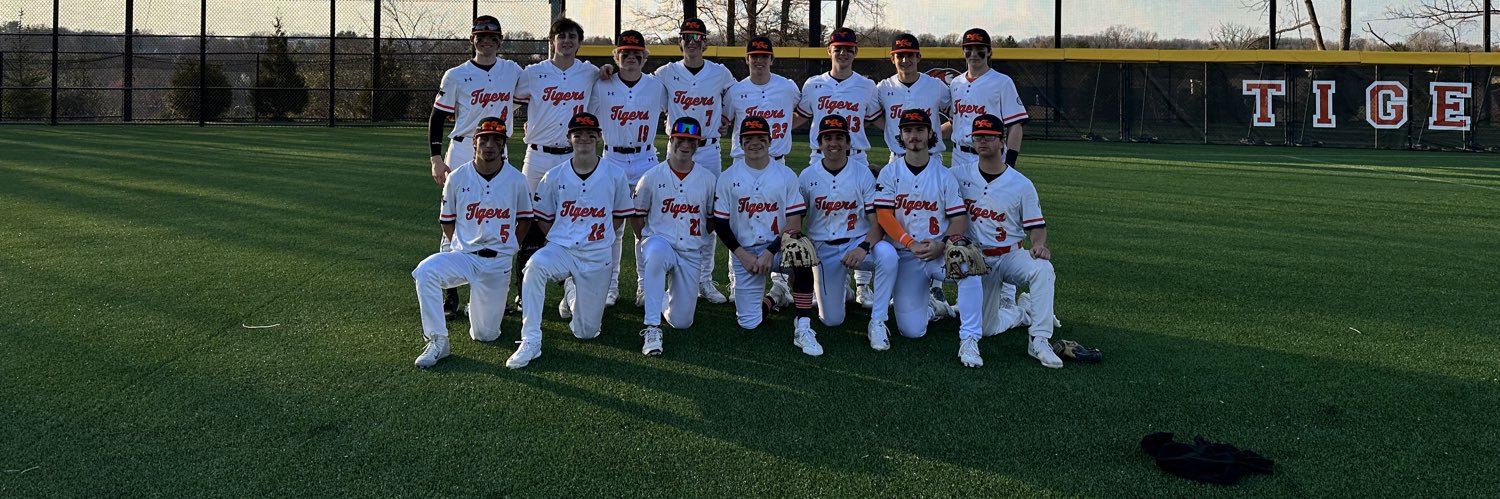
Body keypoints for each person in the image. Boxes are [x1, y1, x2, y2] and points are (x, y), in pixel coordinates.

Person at [508, 112, 635, 369]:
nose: (584, 139)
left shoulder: (615, 174)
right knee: (534, 267)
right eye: (578, 135)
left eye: (590, 135)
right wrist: (561, 235)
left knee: (586, 332)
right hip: (562, 249)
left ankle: (571, 292)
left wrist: (597, 238)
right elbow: (543, 218)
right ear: (569, 139)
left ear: (599, 137)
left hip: (597, 254)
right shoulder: (554, 175)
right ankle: (530, 339)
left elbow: (619, 217)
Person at [412, 117, 532, 368]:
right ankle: (437, 340)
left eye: (496, 140)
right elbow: (447, 220)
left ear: (503, 146)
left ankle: (478, 303)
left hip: (498, 261)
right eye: (484, 139)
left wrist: (512, 246)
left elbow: (524, 220)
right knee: (425, 271)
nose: (489, 145)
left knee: (485, 335)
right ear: (474, 143)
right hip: (465, 256)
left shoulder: (516, 179)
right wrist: (459, 244)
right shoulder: (457, 177)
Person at [427, 15, 523, 319]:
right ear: (473, 41)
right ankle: (451, 294)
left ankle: (498, 291)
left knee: (498, 221)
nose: (486, 42)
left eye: (492, 38)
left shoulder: (511, 70)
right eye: (481, 37)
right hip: (462, 150)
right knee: (454, 220)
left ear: (500, 42)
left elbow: (533, 92)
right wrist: (436, 158)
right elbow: (438, 117)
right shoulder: (456, 74)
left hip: (498, 149)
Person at [873, 109, 985, 367]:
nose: (914, 136)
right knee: (912, 332)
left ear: (931, 134)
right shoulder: (890, 173)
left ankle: (969, 339)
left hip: (939, 252)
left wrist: (943, 243)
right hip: (906, 255)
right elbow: (884, 216)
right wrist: (910, 243)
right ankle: (936, 307)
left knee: (969, 266)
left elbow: (959, 219)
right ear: (900, 135)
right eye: (908, 131)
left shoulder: (944, 175)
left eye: (920, 130)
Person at [951, 114, 1061, 368]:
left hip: (1010, 254)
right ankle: (1022, 311)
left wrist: (1038, 244)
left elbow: (1037, 226)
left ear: (1001, 141)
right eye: (978, 137)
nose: (983, 141)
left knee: (1042, 269)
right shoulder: (957, 174)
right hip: (977, 260)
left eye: (989, 137)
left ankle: (1040, 340)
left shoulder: (1021, 184)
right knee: (987, 329)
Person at [712, 116, 821, 356]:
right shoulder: (728, 177)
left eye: (761, 138)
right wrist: (742, 256)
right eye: (749, 139)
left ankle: (803, 324)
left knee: (801, 248)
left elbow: (794, 222)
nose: (755, 143)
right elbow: (719, 223)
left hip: (778, 248)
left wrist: (770, 251)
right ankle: (776, 295)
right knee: (749, 323)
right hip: (746, 253)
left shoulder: (785, 175)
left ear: (770, 142)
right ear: (741, 142)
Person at [511, 17, 596, 315]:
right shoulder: (533, 74)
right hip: (537, 156)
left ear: (579, 42)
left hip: (572, 157)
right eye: (561, 36)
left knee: (573, 219)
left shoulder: (590, 72)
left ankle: (571, 285)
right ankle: (522, 290)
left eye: (572, 37)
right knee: (526, 220)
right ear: (552, 41)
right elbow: (506, 101)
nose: (567, 41)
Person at [793, 27, 882, 308]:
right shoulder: (812, 84)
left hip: (855, 157)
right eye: (837, 48)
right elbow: (797, 118)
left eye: (848, 49)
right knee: (821, 215)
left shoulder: (867, 85)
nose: (842, 53)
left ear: (855, 52)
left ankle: (862, 283)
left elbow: (883, 122)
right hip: (819, 157)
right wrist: (764, 134)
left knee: (864, 219)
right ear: (829, 51)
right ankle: (825, 273)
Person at [798, 115, 899, 351]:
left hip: (859, 242)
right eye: (828, 138)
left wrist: (863, 247)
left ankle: (878, 320)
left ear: (848, 142)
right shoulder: (807, 176)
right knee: (831, 320)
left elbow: (878, 224)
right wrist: (798, 268)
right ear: (819, 143)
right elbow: (796, 221)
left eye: (839, 137)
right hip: (824, 248)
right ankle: (841, 286)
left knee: (888, 254)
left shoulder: (862, 173)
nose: (834, 143)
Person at [653, 17, 736, 304]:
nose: (692, 42)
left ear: (705, 43)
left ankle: (704, 279)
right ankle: (665, 278)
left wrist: (726, 118)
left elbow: (735, 96)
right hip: (676, 148)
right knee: (671, 211)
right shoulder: (665, 72)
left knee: (708, 214)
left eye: (697, 37)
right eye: (687, 37)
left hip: (709, 149)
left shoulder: (720, 73)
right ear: (680, 41)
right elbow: (645, 94)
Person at [587, 30, 668, 309]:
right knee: (613, 226)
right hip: (613, 159)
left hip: (646, 159)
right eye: (625, 53)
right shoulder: (601, 84)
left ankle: (645, 286)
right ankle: (610, 286)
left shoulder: (657, 86)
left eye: (636, 54)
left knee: (645, 227)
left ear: (645, 57)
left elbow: (680, 106)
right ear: (615, 56)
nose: (630, 58)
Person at [719, 35, 801, 305]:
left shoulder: (787, 87)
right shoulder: (736, 91)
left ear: (771, 59)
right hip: (743, 163)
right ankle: (736, 278)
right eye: (754, 56)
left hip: (777, 161)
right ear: (747, 59)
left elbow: (803, 112)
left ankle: (780, 283)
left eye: (764, 56)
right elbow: (725, 122)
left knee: (778, 220)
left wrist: (786, 129)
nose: (759, 60)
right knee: (739, 222)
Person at [630, 117, 718, 356]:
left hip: (690, 250)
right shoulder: (651, 176)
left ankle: (658, 294)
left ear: (698, 144)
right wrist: (645, 240)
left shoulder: (708, 179)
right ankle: (651, 327)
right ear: (671, 140)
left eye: (691, 140)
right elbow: (637, 215)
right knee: (656, 255)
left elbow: (711, 218)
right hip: (660, 242)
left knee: (682, 322)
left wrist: (698, 235)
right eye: (680, 139)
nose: (685, 145)